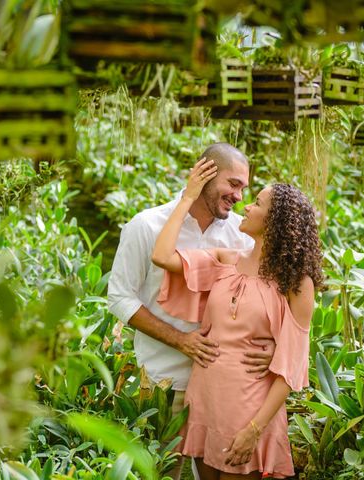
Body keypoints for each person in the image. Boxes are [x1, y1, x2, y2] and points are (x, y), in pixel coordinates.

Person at [108, 143, 275, 480]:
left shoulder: (241, 235)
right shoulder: (147, 226)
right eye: (233, 184)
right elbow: (120, 297)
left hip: (224, 388)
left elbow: (270, 300)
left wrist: (273, 347)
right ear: (204, 173)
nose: (239, 196)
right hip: (161, 383)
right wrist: (180, 340)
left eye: (244, 188)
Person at [151, 157, 323, 479]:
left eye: (256, 203)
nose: (246, 207)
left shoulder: (298, 284)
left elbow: (291, 367)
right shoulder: (225, 260)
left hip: (249, 412)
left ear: (275, 221)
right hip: (205, 401)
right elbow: (161, 255)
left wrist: (255, 430)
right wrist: (188, 196)